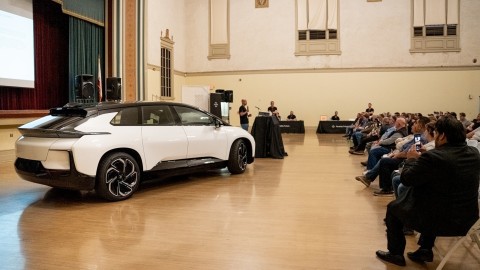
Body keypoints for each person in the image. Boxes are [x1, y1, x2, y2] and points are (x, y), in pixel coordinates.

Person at [375, 116, 480, 266]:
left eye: (436, 133)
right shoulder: (474, 153)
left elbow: (407, 179)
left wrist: (412, 159)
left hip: (442, 221)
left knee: (393, 209)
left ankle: (395, 254)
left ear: (442, 135)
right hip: (467, 219)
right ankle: (425, 249)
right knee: (434, 200)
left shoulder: (434, 157)